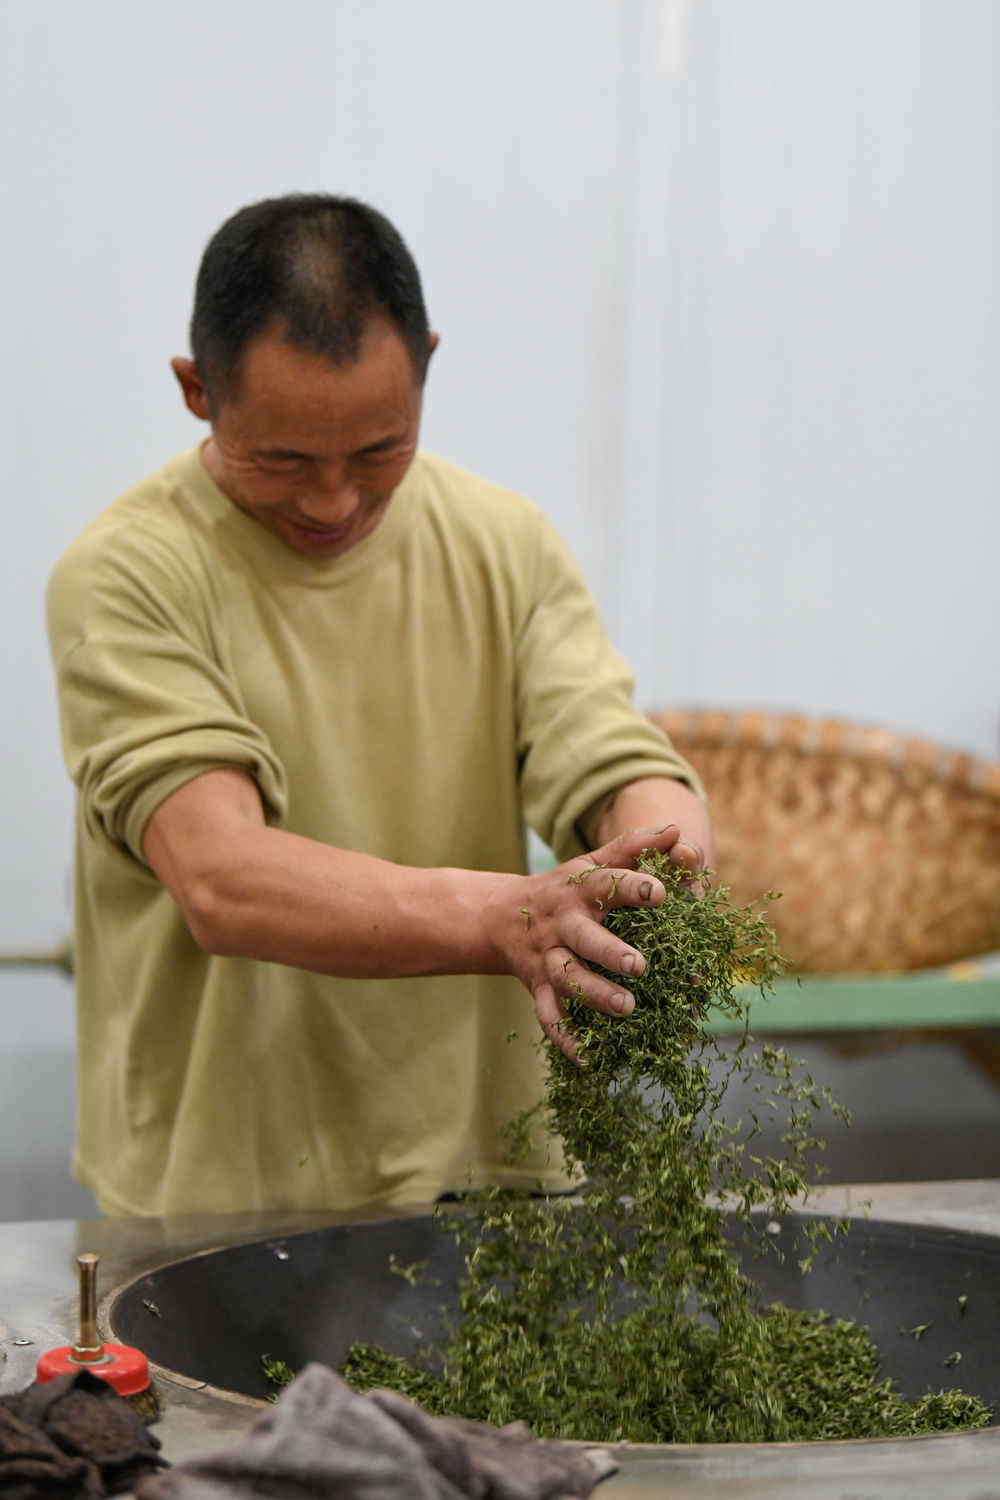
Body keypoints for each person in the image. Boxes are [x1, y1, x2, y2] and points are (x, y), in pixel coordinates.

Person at [46, 194, 713, 1219]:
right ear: (196, 391)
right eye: (281, 460)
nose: (332, 501)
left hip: (494, 1167)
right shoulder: (130, 573)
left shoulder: (504, 541)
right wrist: (506, 916)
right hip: (234, 1187)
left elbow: (598, 742)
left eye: (376, 452)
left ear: (427, 363)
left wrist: (655, 842)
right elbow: (222, 878)